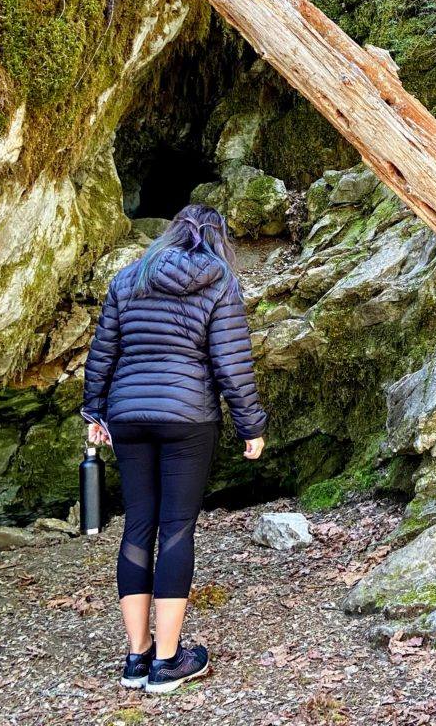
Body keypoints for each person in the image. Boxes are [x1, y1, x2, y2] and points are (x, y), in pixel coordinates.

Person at [81, 203, 268, 694]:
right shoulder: (220, 280)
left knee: (139, 525)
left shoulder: (128, 279)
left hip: (128, 415)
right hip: (188, 417)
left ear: (169, 235)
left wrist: (95, 413)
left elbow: (104, 351)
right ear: (217, 239)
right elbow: (231, 362)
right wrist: (251, 425)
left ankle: (136, 657)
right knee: (177, 528)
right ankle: (168, 662)